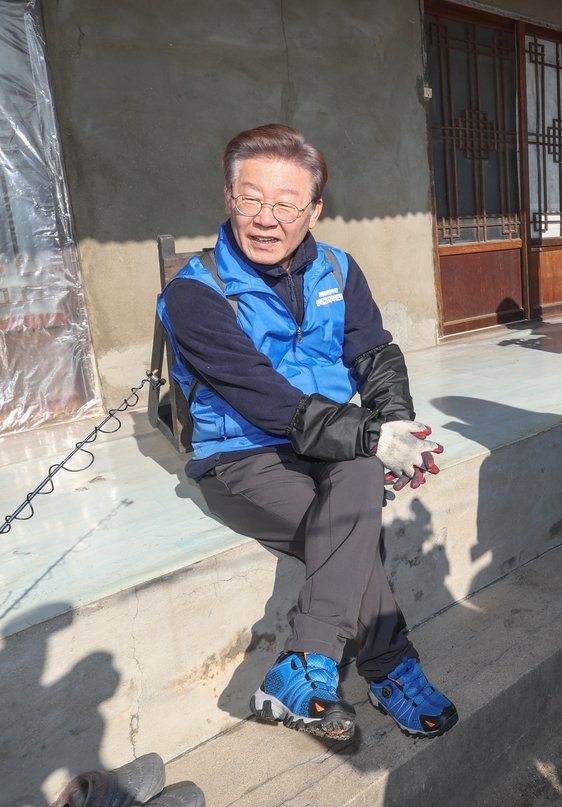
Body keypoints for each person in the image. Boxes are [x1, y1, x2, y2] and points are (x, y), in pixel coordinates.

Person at [156, 124, 455, 742]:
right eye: (250, 199)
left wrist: (393, 421)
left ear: (314, 209)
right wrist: (370, 437)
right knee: (350, 530)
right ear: (228, 197)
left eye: (286, 204)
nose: (266, 219)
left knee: (360, 475)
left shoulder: (340, 270)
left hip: (324, 443)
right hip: (241, 457)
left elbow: (373, 352)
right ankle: (388, 666)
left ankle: (305, 666)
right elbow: (265, 402)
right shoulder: (194, 292)